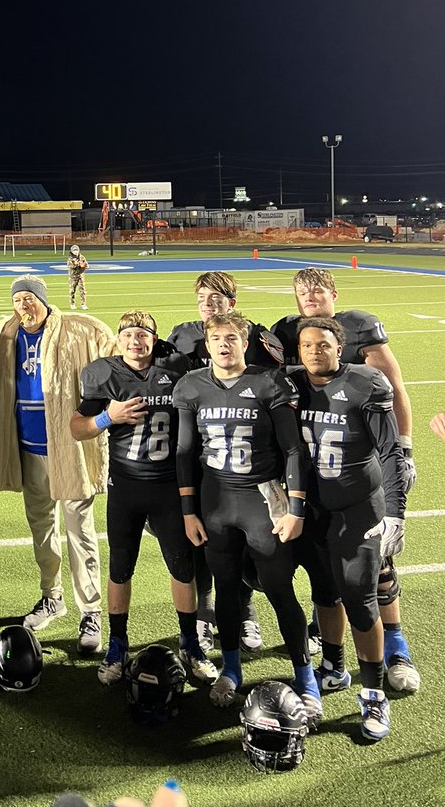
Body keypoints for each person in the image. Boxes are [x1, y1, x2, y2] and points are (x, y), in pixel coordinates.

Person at [271, 267, 420, 691]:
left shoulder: (360, 333)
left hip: (359, 466)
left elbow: (395, 387)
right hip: (316, 485)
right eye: (302, 290)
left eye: (317, 289)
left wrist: (404, 450)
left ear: (333, 293)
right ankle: (335, 658)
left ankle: (395, 649)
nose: (309, 296)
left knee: (374, 575)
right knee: (327, 583)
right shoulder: (291, 341)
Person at [174, 312, 321, 722]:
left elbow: (293, 450)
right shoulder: (191, 386)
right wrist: (189, 512)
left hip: (261, 499)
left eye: (232, 338)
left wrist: (295, 508)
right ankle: (231, 669)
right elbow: (185, 453)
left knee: (278, 588)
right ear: (207, 345)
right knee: (225, 588)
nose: (224, 345)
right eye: (217, 338)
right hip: (216, 501)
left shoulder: (267, 382)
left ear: (244, 343)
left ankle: (305, 676)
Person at [73, 311, 217, 687]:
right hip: (125, 488)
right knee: (120, 567)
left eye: (143, 335)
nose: (136, 341)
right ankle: (118, 643)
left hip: (169, 487)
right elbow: (77, 428)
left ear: (154, 339)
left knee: (181, 567)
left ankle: (189, 643)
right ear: (119, 341)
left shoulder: (176, 370)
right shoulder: (103, 374)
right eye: (129, 335)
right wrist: (108, 417)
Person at [0, 276, 114, 653]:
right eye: (18, 299)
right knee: (41, 527)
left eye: (30, 299)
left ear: (43, 300)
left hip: (67, 449)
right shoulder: (6, 335)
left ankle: (90, 610)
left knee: (80, 532)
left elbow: (108, 352)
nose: (24, 306)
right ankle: (52, 596)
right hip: (28, 448)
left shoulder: (75, 330)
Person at [289, 317, 405, 741]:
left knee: (360, 600)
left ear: (339, 348)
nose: (315, 351)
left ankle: (373, 691)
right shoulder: (291, 384)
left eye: (323, 345)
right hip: (314, 510)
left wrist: (396, 512)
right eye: (306, 345)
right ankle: (334, 666)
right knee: (324, 592)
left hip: (357, 508)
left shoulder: (365, 384)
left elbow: (391, 451)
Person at [167, 271, 282, 652]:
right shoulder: (181, 335)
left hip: (248, 459)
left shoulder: (256, 335)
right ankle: (204, 614)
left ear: (232, 302)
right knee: (201, 541)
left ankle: (245, 614)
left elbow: (279, 388)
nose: (209, 303)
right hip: (201, 457)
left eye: (217, 297)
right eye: (202, 296)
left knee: (243, 546)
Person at [67, 244, 89, 310]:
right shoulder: (70, 258)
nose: (75, 252)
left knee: (82, 290)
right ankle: (72, 304)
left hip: (80, 276)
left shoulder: (82, 257)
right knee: (72, 291)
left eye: (76, 250)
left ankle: (83, 304)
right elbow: (71, 266)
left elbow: (87, 265)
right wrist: (77, 264)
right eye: (74, 250)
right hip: (73, 277)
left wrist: (84, 265)